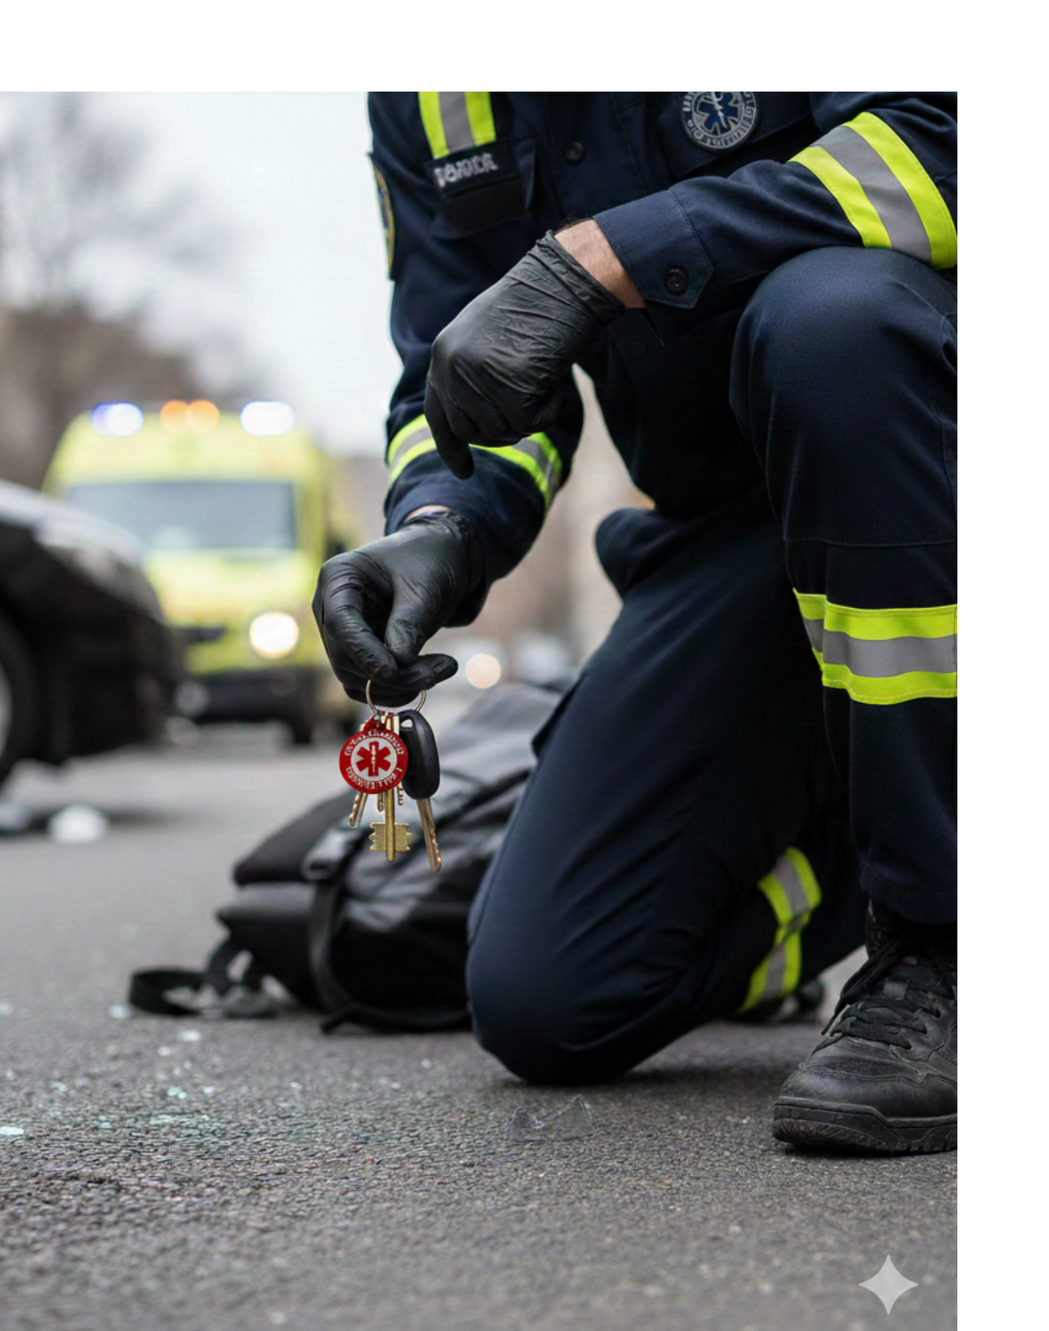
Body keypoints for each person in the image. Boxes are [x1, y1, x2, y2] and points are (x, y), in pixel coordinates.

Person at [313, 93, 956, 1154]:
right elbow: (469, 360)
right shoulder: (428, 93)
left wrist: (616, 255)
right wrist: (439, 524)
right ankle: (867, 852)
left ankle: (946, 938)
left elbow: (961, 139)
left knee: (831, 323)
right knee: (550, 997)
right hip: (736, 535)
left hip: (939, 462)